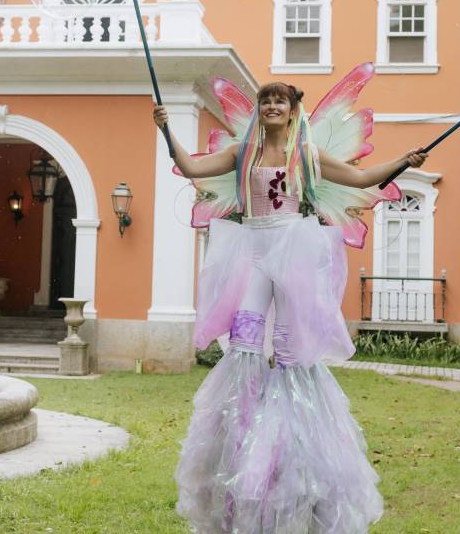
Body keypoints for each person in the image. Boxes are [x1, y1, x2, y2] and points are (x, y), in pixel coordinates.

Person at [155, 78, 427, 534]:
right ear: (259, 109)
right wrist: (167, 132)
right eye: (265, 100)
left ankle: (292, 445)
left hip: (295, 247)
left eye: (280, 100)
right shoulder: (244, 154)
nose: (271, 105)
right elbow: (191, 166)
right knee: (243, 341)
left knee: (290, 350)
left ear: (293, 108)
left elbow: (361, 178)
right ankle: (240, 436)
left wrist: (404, 161)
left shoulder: (308, 156)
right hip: (255, 247)